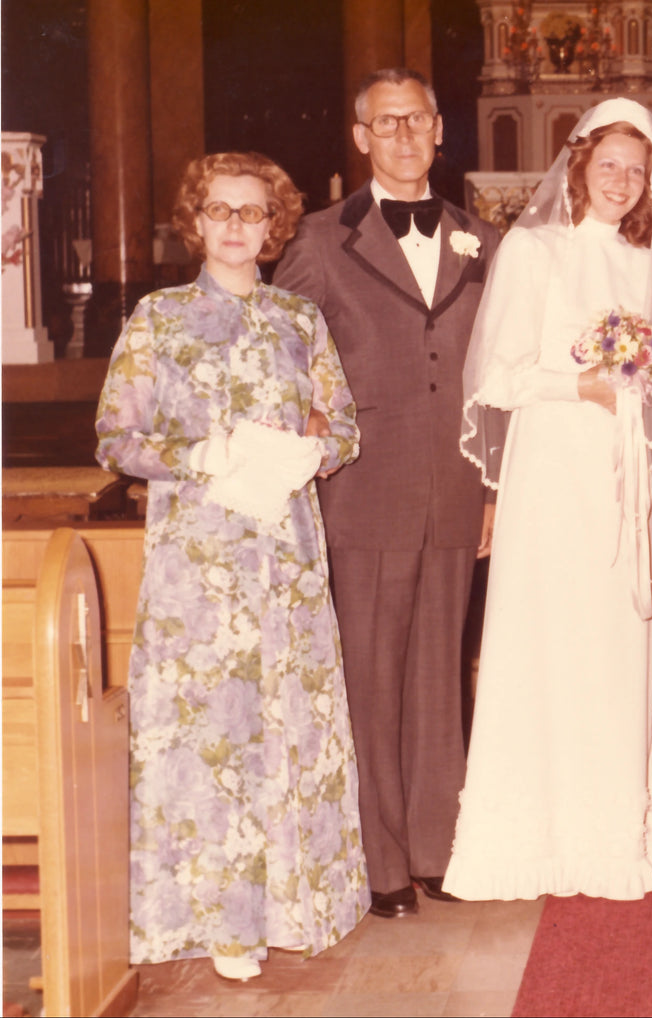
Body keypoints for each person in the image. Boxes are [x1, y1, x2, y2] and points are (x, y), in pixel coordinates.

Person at [96, 152, 367, 980]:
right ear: (197, 221)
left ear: (275, 226)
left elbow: (347, 427)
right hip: (199, 562)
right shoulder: (159, 318)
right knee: (212, 733)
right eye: (221, 211)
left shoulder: (298, 320)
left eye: (254, 213)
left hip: (284, 559)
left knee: (281, 724)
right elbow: (116, 439)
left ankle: (293, 906)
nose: (237, 227)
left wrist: (315, 449)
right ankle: (220, 923)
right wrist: (199, 450)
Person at [442, 97, 652, 900]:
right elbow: (495, 374)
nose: (623, 182)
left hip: (622, 470)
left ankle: (609, 823)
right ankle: (532, 831)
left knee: (611, 633)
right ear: (579, 165)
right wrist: (581, 384)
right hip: (553, 464)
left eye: (638, 170)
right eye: (610, 166)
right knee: (546, 634)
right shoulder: (535, 250)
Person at [273, 68, 500, 919]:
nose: (404, 135)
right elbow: (281, 362)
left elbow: (495, 376)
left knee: (441, 671)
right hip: (361, 488)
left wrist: (493, 490)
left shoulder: (484, 239)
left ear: (440, 130)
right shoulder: (322, 241)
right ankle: (380, 864)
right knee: (371, 676)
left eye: (418, 120)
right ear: (361, 137)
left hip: (455, 485)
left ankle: (439, 848)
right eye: (386, 122)